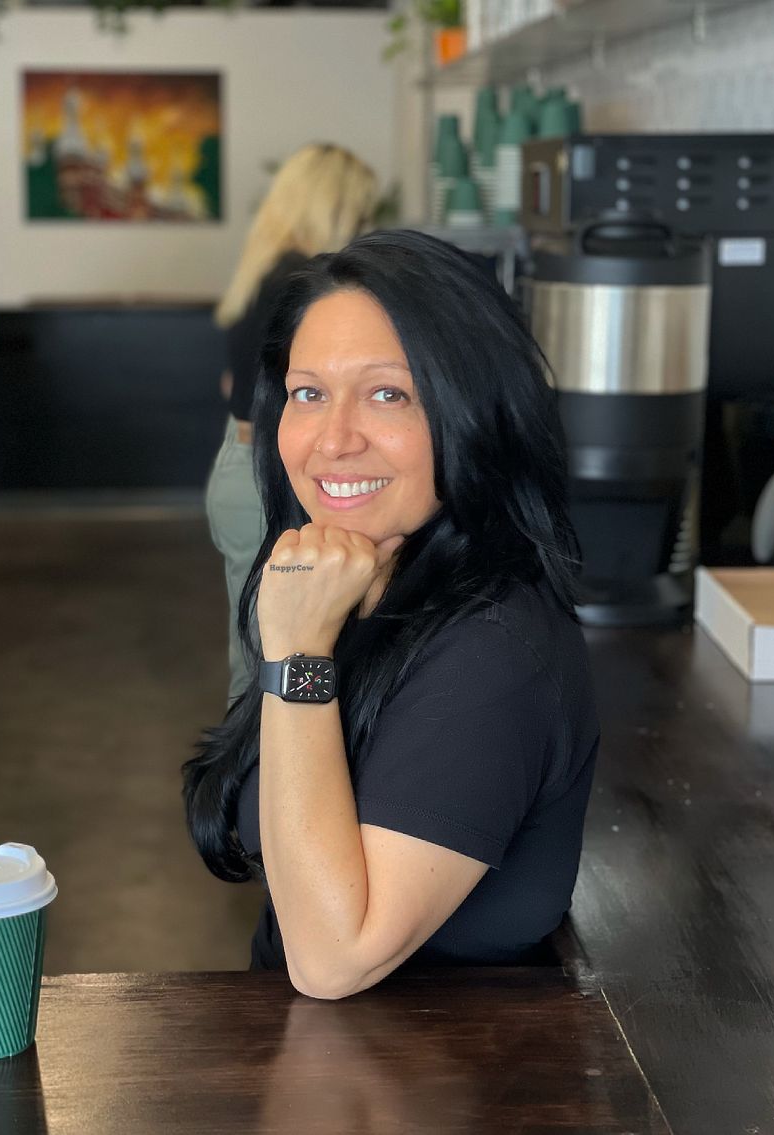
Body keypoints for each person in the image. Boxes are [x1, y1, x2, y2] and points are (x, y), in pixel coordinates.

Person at [184, 230, 600, 999]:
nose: (334, 439)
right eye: (309, 393)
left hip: (433, 1061)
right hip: (315, 1052)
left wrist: (297, 655)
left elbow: (333, 960)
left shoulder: (493, 652)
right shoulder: (360, 579)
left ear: (472, 410)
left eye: (388, 394)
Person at [206, 143, 379, 703]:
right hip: (263, 476)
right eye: (361, 211)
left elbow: (233, 384)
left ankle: (262, 756)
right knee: (271, 662)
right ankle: (260, 763)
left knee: (261, 655)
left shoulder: (263, 272)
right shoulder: (302, 285)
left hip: (241, 463)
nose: (366, 224)